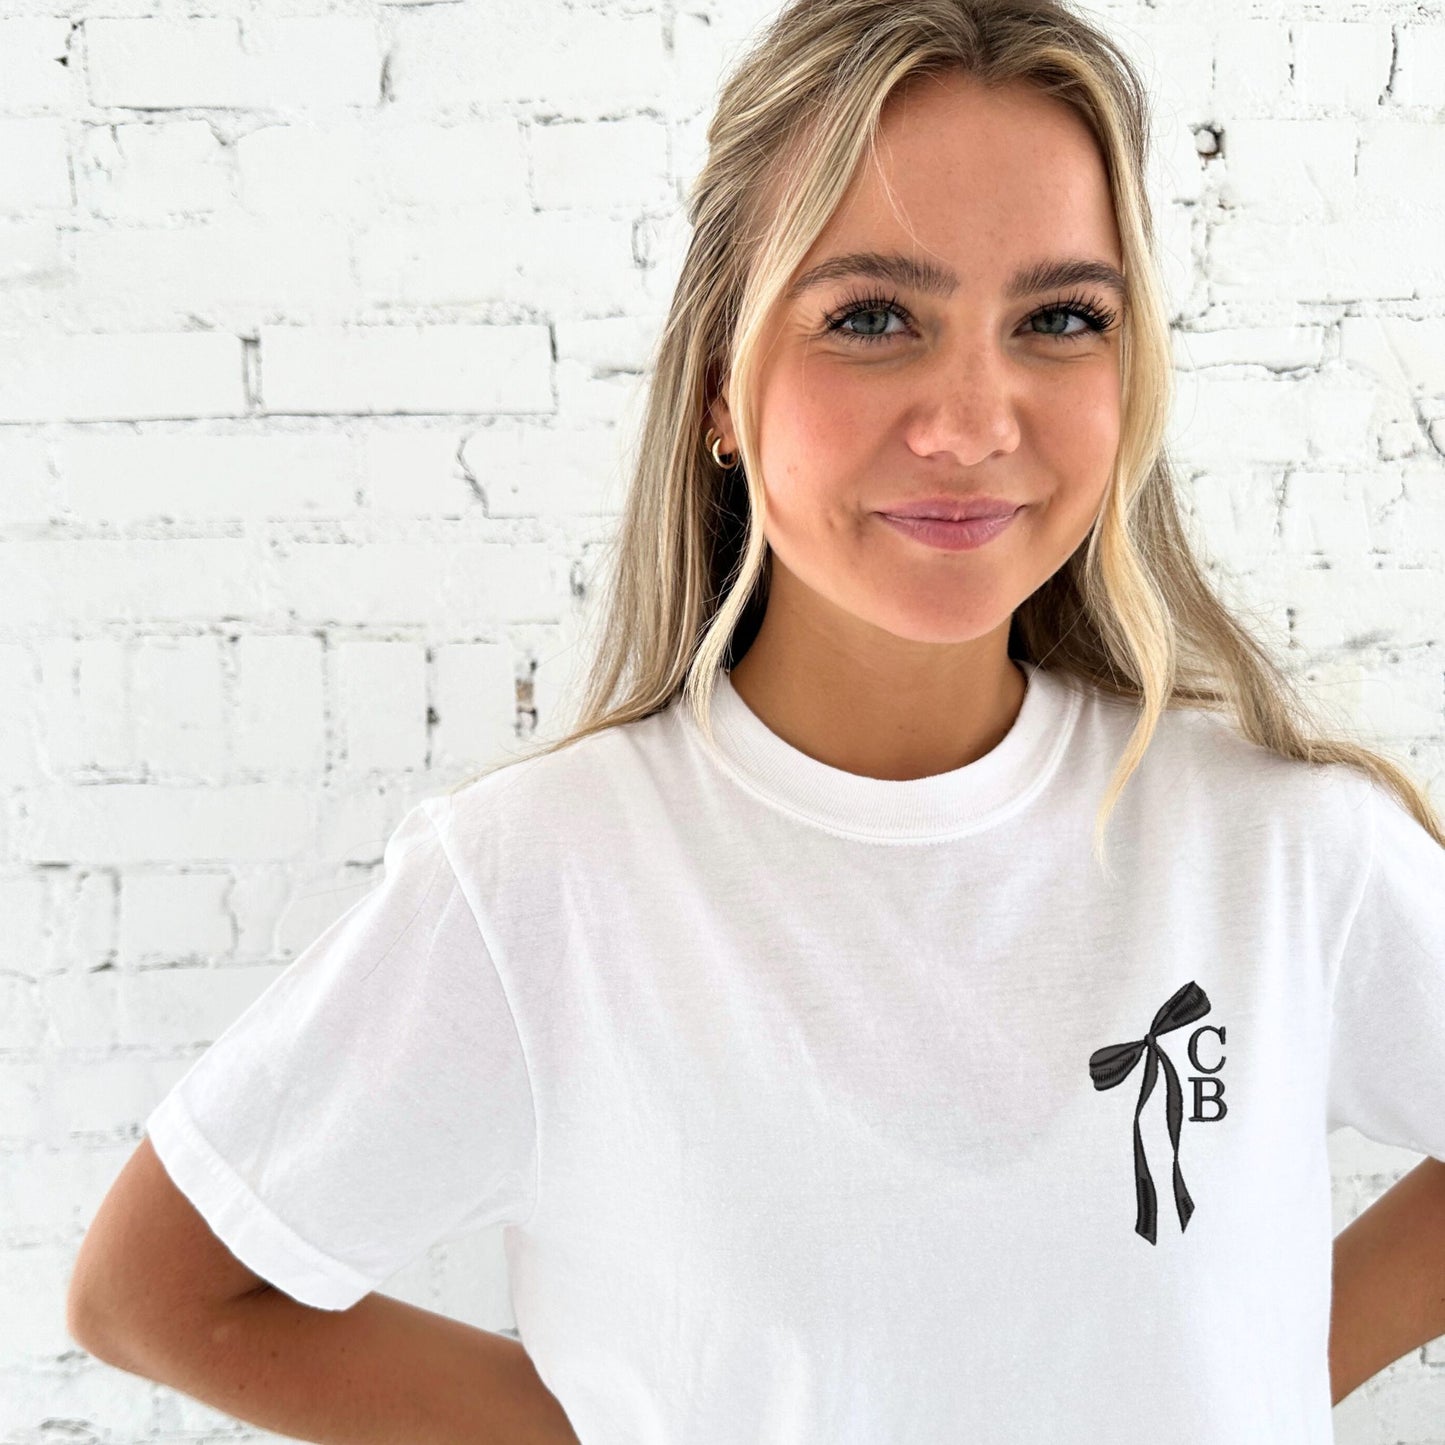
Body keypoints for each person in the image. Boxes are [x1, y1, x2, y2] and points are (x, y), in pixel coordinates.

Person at [69, 0, 1445, 1442]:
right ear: (721, 381)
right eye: (869, 317)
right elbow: (153, 1291)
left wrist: (1263, 1363)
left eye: (1057, 320)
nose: (973, 420)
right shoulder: (548, 874)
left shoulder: (1283, 851)